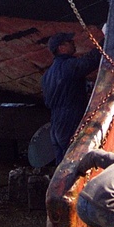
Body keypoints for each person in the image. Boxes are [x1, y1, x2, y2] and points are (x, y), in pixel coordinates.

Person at [42, 31, 102, 166]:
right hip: (70, 119)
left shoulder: (46, 75)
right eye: (70, 42)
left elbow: (47, 101)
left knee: (61, 165)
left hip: (55, 124)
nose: (74, 44)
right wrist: (107, 40)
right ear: (61, 48)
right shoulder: (68, 66)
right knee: (74, 161)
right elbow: (91, 61)